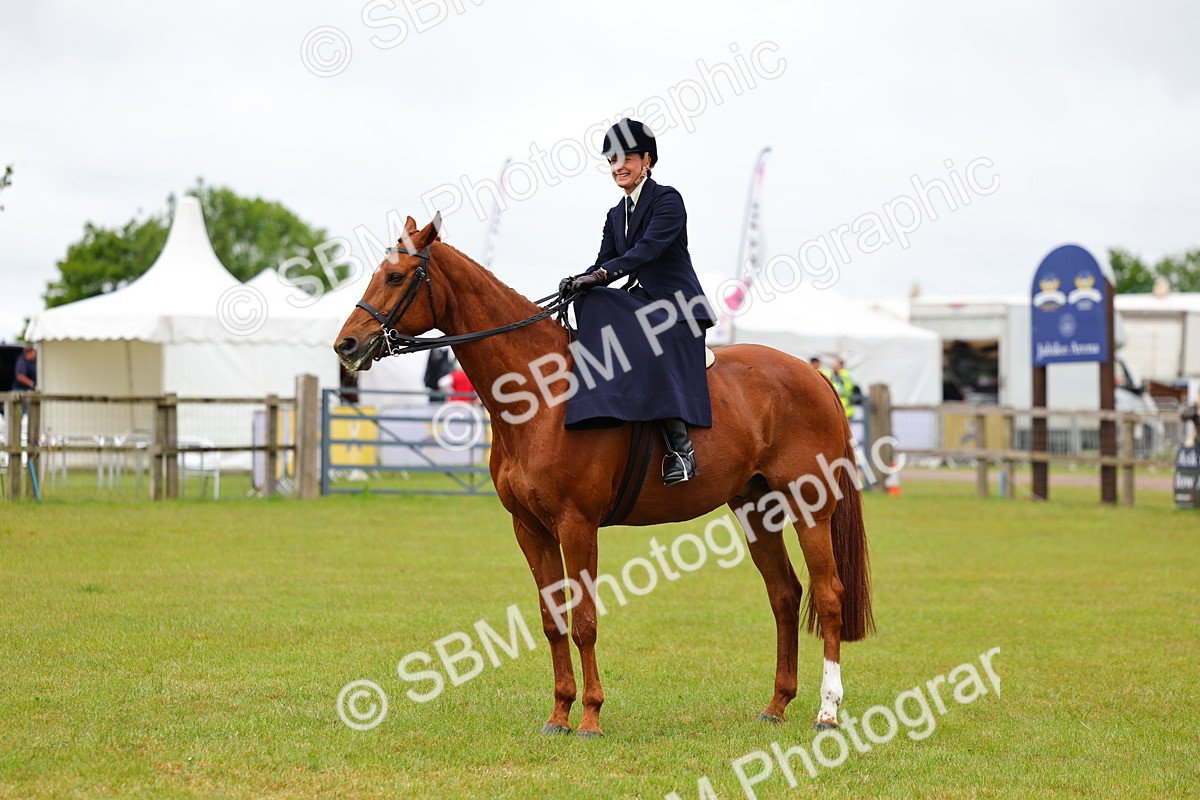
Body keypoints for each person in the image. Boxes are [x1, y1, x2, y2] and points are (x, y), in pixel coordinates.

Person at [560, 119, 714, 486]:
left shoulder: (667, 199)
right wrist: (577, 281)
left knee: (632, 325)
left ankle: (682, 450)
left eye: (625, 158)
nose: (617, 167)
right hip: (643, 301)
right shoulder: (616, 215)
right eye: (612, 160)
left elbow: (647, 251)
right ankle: (603, 406)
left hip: (678, 306)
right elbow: (603, 261)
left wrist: (599, 276)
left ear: (646, 160)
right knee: (592, 301)